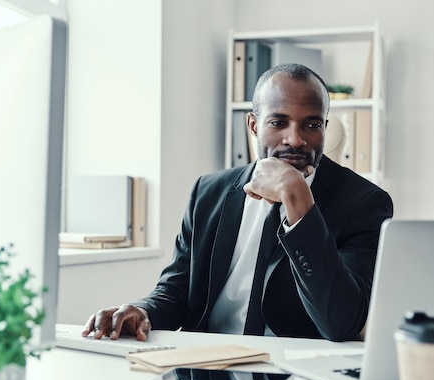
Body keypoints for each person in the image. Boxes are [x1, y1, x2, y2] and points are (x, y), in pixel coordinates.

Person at [83, 63, 393, 342]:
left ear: (325, 127)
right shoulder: (209, 191)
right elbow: (177, 290)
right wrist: (142, 311)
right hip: (207, 367)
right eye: (279, 122)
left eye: (312, 125)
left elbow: (341, 323)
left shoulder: (364, 203)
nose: (296, 139)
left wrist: (298, 200)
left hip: (296, 372)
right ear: (254, 125)